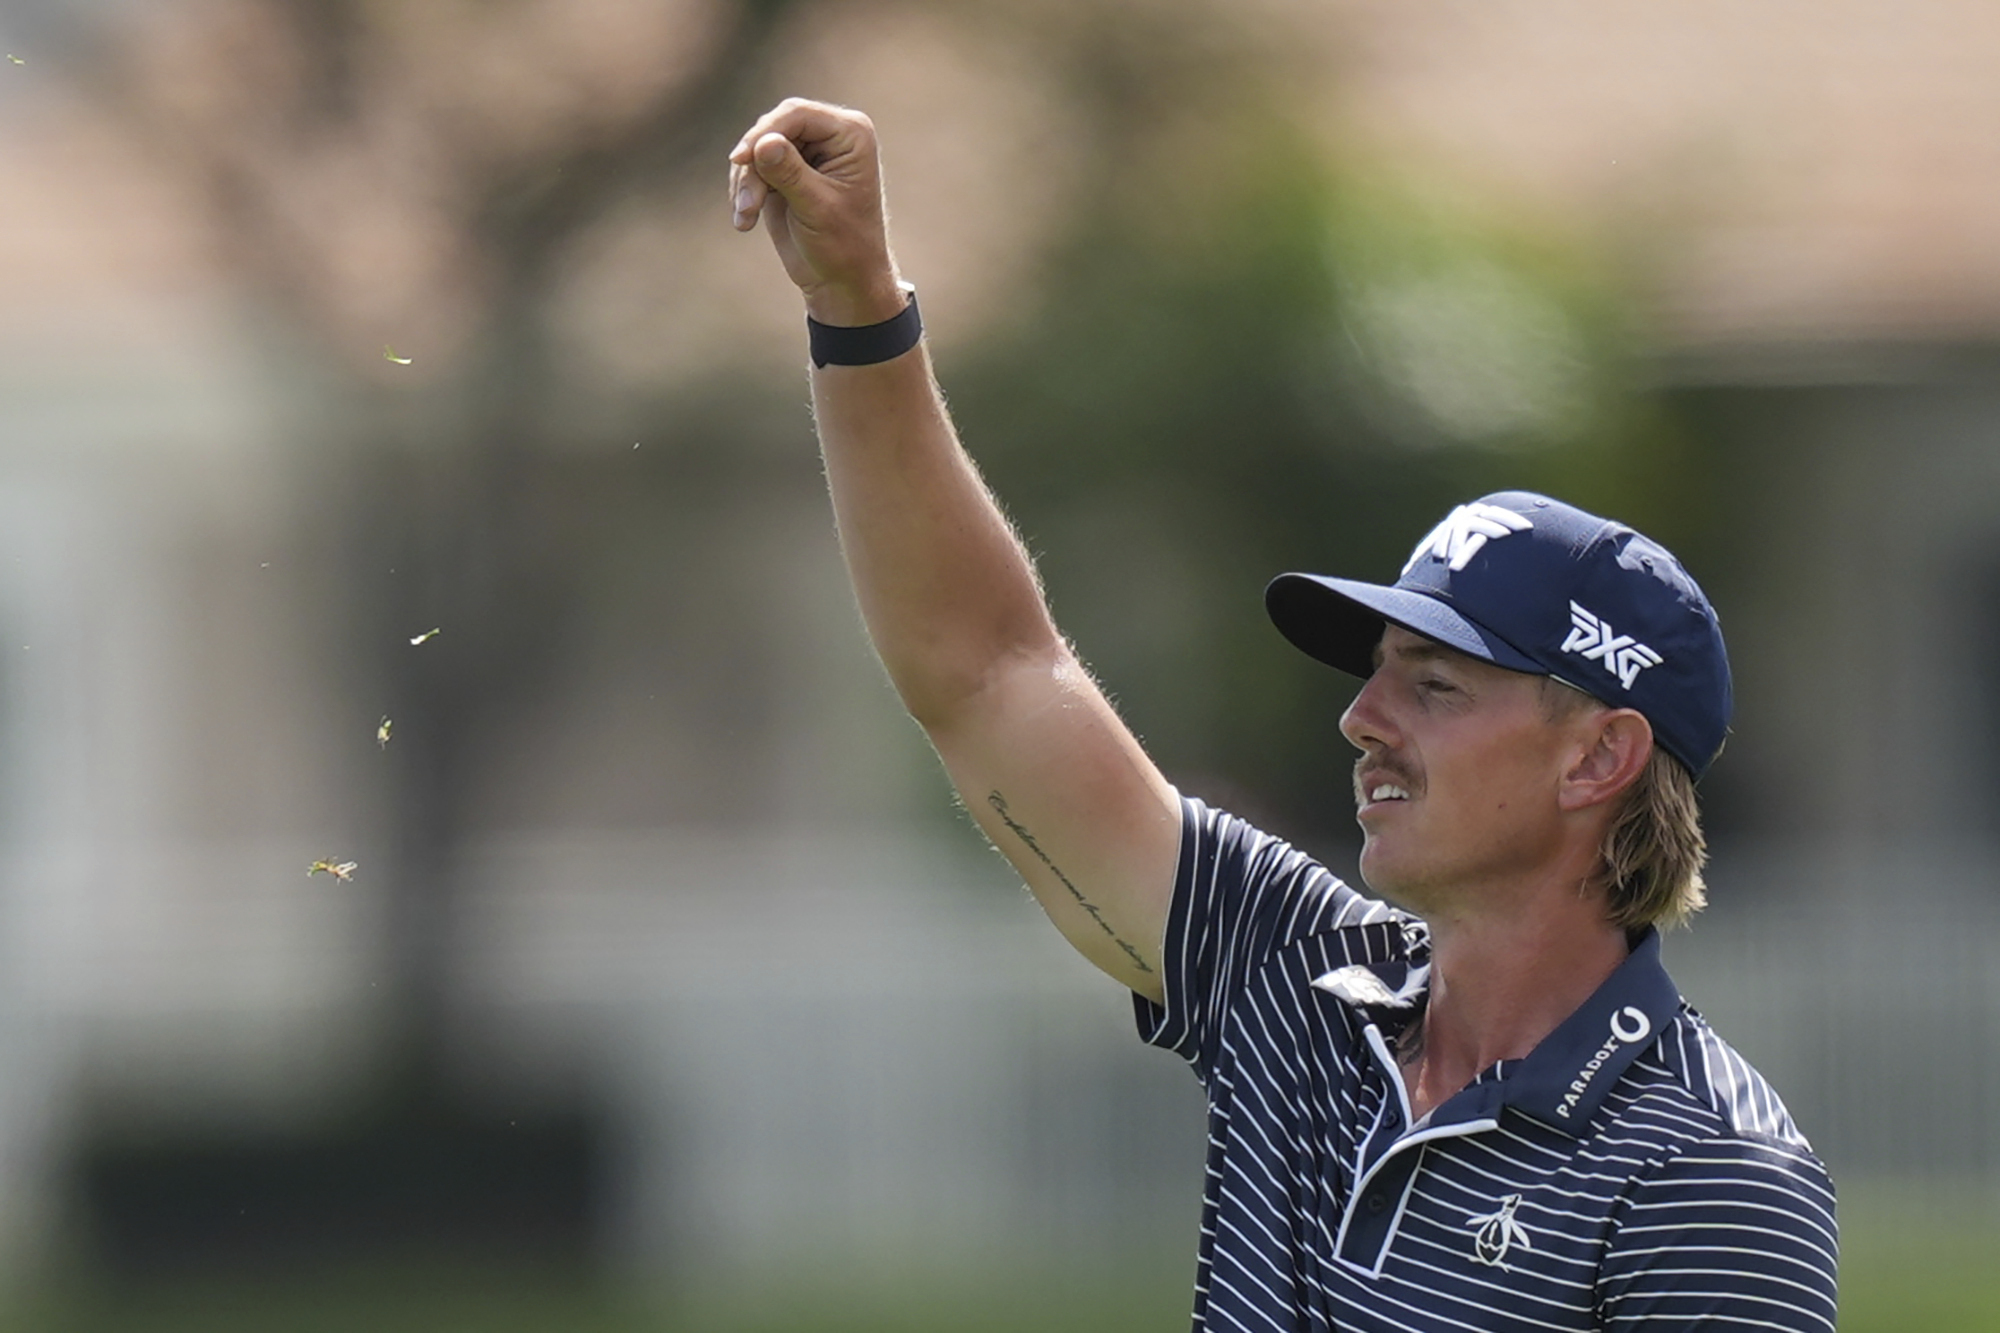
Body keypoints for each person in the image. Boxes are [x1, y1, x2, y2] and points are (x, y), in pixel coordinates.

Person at [728, 98, 1837, 1332]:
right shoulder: (1293, 978)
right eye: (1375, 671)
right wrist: (857, 306)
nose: (1359, 718)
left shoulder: (1711, 1178)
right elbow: (985, 671)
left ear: (1595, 755)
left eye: (1433, 684)